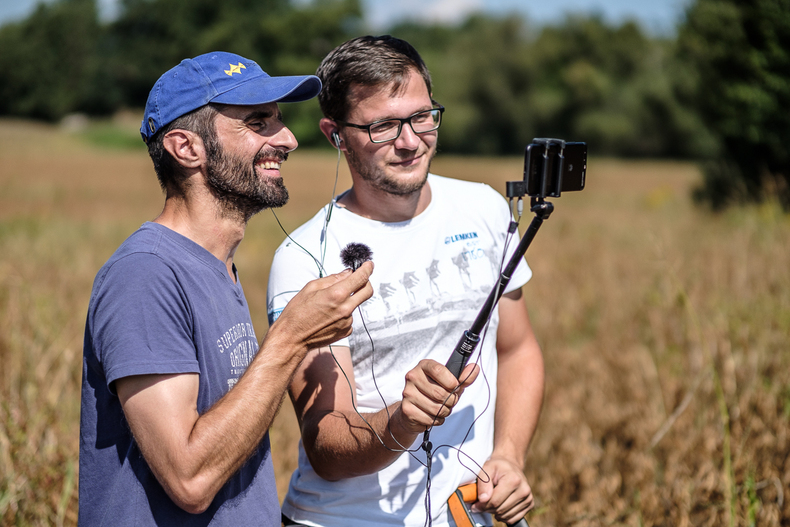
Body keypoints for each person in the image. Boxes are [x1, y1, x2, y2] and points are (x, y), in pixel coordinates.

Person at [78, 51, 373, 526]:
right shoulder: (146, 274)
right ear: (185, 147)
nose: (289, 139)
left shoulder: (216, 268)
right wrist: (292, 338)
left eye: (279, 120)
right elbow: (189, 480)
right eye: (259, 122)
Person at [266, 36, 544, 527]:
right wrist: (403, 420)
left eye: (421, 117)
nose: (411, 141)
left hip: (466, 516)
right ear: (335, 134)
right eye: (382, 126)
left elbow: (516, 349)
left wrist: (509, 455)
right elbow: (327, 444)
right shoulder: (305, 256)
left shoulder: (483, 209)